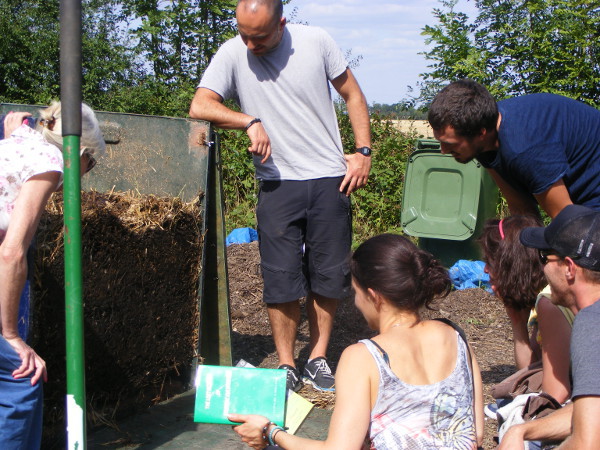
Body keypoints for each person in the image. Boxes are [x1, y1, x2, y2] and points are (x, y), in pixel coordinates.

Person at [189, 0, 372, 392]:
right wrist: (248, 120)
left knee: (328, 275)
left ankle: (318, 357)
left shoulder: (317, 41)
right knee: (281, 278)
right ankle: (287, 364)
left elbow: (352, 94)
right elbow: (200, 104)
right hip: (276, 184)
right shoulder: (232, 52)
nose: (251, 45)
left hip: (329, 179)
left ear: (282, 23)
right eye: (244, 35)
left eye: (260, 37)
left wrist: (363, 152)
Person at [227, 234, 484, 449]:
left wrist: (271, 432)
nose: (356, 302)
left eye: (356, 292)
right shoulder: (456, 336)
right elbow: (475, 434)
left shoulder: (364, 357)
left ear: (374, 296)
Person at [0, 102, 105, 449]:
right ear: (79, 152)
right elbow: (12, 252)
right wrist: (11, 335)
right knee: (21, 380)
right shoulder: (50, 161)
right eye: (90, 164)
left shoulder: (17, 143)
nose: (85, 173)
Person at [497, 205, 600, 449]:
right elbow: (591, 410)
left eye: (545, 258)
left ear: (569, 268)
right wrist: (522, 430)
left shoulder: (592, 323)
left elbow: (587, 443)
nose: (541, 269)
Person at [427, 79, 600, 219]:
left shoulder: (525, 148)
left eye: (450, 143)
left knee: (577, 251)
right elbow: (521, 209)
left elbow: (566, 221)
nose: (443, 150)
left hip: (593, 187)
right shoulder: (482, 136)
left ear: (481, 133)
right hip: (578, 194)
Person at [479, 215, 573, 404]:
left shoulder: (549, 302)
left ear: (510, 265)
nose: (485, 270)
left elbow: (549, 393)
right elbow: (534, 369)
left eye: (489, 262)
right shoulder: (545, 297)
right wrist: (517, 321)